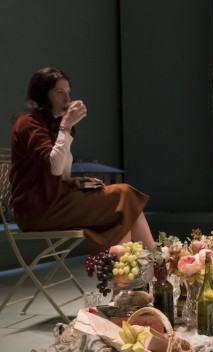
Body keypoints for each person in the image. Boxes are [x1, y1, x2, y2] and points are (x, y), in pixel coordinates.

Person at [10, 67, 156, 254]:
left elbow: (58, 173)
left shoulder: (51, 126)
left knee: (122, 212)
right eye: (60, 93)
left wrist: (71, 181)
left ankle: (131, 276)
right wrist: (66, 127)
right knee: (124, 194)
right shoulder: (28, 123)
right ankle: (157, 266)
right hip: (37, 210)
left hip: (54, 201)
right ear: (42, 96)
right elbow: (54, 167)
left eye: (68, 93)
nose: (67, 99)